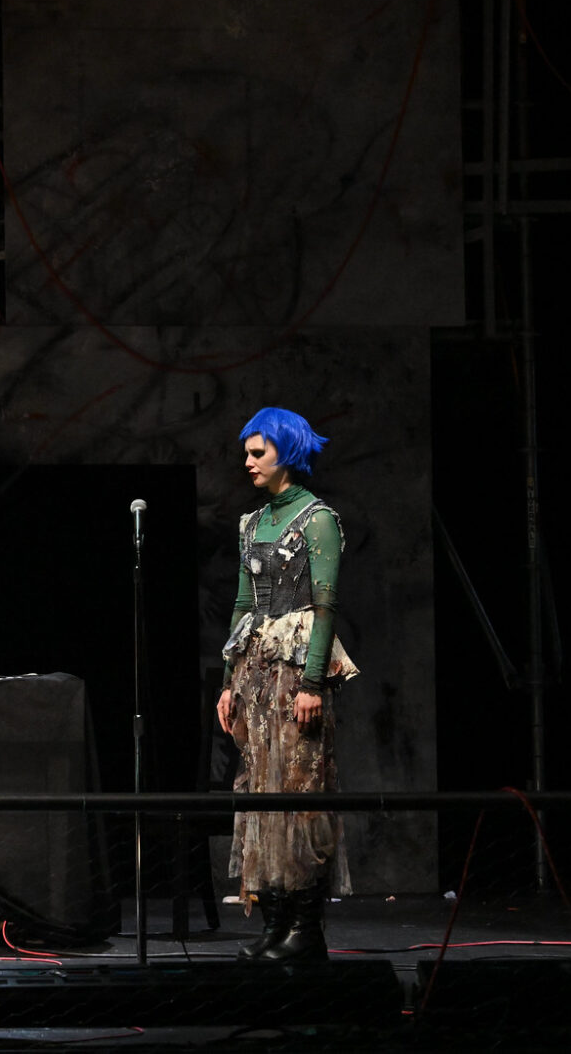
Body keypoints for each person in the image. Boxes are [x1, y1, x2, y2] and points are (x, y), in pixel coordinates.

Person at [216, 409, 359, 963]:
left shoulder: (317, 519)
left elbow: (325, 607)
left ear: (287, 452)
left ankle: (307, 927)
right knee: (260, 794)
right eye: (247, 453)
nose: (248, 462)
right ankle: (275, 923)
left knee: (301, 793)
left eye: (258, 453)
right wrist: (229, 682)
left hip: (295, 671)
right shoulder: (252, 523)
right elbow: (243, 604)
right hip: (254, 674)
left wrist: (313, 683)